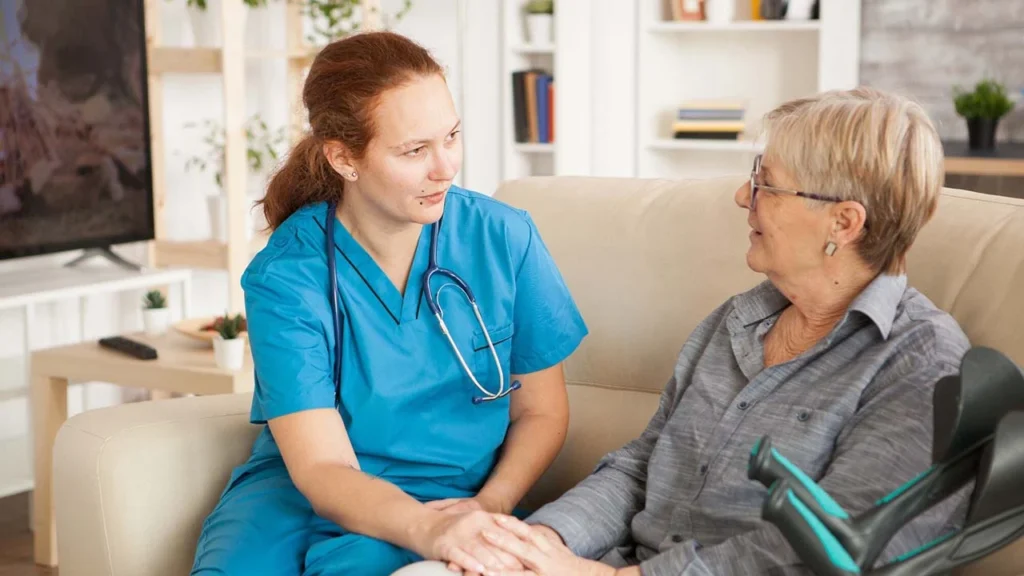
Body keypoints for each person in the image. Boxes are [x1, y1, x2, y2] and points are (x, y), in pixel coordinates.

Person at [406, 87, 973, 575]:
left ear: (843, 222)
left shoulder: (922, 364)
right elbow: (640, 466)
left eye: (766, 183)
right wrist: (537, 544)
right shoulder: (739, 321)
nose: (742, 197)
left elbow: (833, 553)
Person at [189, 31, 588, 576]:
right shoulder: (289, 274)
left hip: (453, 494)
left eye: (451, 136)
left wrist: (488, 507)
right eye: (414, 150)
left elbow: (542, 410)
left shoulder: (503, 238)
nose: (445, 167)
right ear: (344, 159)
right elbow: (323, 467)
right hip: (301, 493)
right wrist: (430, 530)